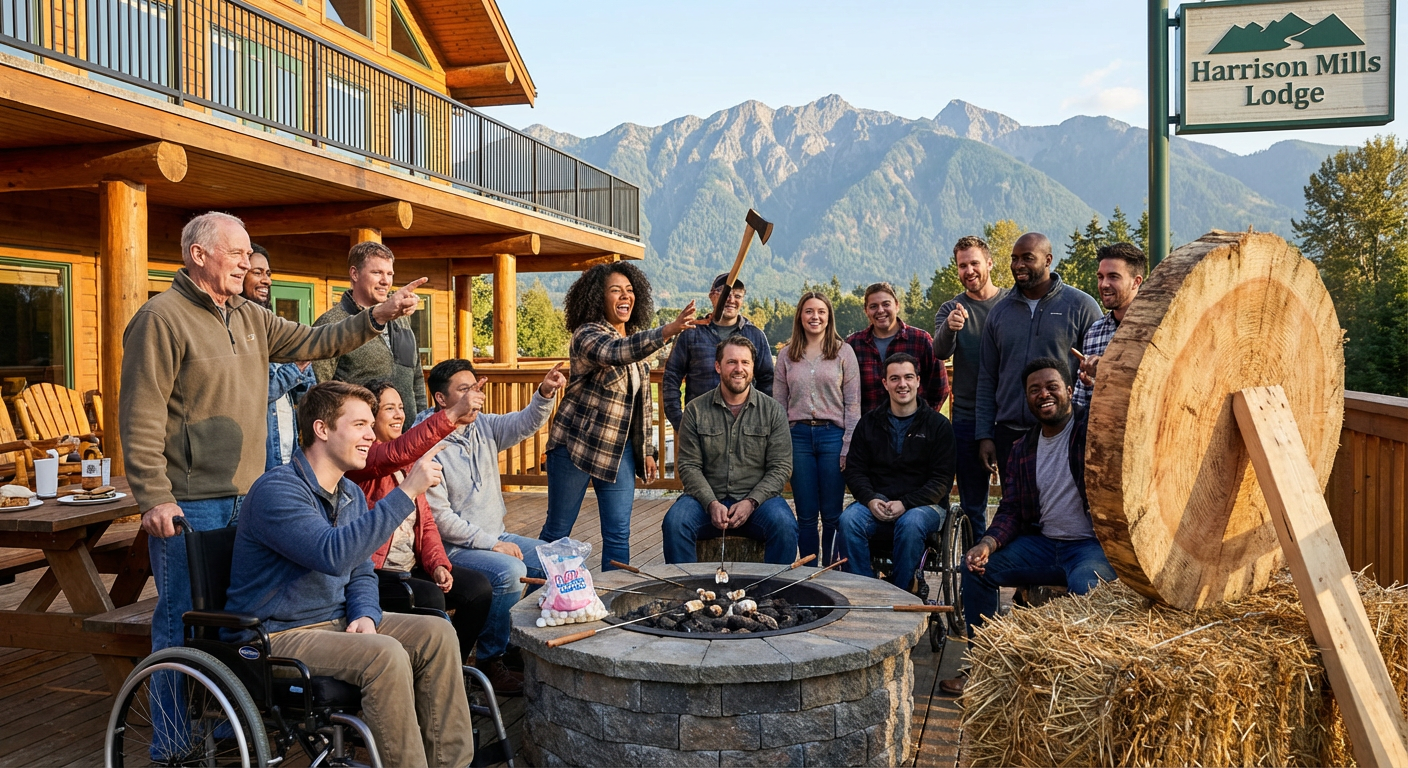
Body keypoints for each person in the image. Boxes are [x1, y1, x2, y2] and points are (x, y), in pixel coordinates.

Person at [120, 211, 425, 687]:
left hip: (250, 492)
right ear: (199, 255)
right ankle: (174, 730)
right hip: (190, 502)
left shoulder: (250, 315)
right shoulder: (160, 318)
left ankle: (226, 716)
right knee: (183, 622)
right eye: (237, 254)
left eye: (248, 254)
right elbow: (140, 414)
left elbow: (316, 341)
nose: (247, 264)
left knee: (236, 620)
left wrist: (377, 316)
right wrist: (155, 496)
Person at [223, 382, 474, 768]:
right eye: (359, 425)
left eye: (371, 425)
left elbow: (361, 570)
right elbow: (332, 554)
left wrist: (365, 614)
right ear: (322, 429)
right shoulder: (277, 491)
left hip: (336, 621)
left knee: (437, 632)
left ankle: (451, 764)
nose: (371, 435)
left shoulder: (349, 494)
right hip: (277, 633)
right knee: (385, 655)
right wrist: (407, 490)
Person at [945, 357, 1116, 696]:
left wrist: (1104, 382)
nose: (1044, 394)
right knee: (975, 567)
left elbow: (1119, 417)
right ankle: (982, 666)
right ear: (1027, 398)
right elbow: (1010, 510)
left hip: (1090, 546)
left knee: (1087, 590)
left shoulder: (1091, 428)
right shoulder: (1023, 448)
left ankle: (1078, 685)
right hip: (1044, 544)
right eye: (1034, 390)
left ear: (1070, 390)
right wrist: (987, 544)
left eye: (1052, 387)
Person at [538, 262, 704, 569]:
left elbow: (643, 402)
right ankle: (532, 591)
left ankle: (614, 594)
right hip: (575, 446)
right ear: (598, 298)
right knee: (557, 532)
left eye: (629, 290)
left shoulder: (636, 343)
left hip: (620, 450)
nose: (625, 295)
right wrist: (667, 330)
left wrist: (648, 451)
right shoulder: (587, 335)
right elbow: (615, 351)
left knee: (618, 534)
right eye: (615, 290)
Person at [418, 357, 566, 692]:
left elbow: (524, 423)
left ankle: (515, 644)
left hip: (493, 534)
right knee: (510, 571)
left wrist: (544, 393)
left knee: (557, 561)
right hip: (452, 548)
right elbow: (440, 520)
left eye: (475, 388)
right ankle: (488, 659)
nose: (474, 396)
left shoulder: (482, 425)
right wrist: (492, 544)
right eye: (464, 390)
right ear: (441, 398)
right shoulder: (426, 442)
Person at [351, 379, 494, 687]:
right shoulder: (364, 460)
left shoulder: (407, 463)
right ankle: (428, 682)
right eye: (389, 408)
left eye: (401, 407)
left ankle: (452, 672)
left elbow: (426, 523)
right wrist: (452, 413)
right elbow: (393, 454)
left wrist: (438, 563)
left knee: (477, 589)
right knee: (428, 596)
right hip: (376, 572)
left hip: (409, 566)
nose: (399, 415)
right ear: (369, 419)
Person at [975, 233, 1101, 490]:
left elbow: (1099, 370)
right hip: (1009, 433)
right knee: (1014, 504)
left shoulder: (1081, 306)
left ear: (1048, 260)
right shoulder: (999, 313)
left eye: (1027, 258)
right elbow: (987, 378)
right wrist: (985, 434)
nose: (1018, 265)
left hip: (1063, 432)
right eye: (1014, 259)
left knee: (1062, 504)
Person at [662, 336, 797, 565]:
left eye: (745, 362)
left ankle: (771, 588)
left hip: (759, 504)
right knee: (675, 522)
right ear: (718, 366)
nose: (739, 369)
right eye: (731, 362)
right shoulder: (695, 410)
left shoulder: (773, 411)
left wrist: (751, 502)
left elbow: (781, 467)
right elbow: (688, 465)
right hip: (705, 502)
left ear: (753, 368)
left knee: (785, 526)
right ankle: (687, 586)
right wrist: (711, 503)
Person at [838, 353, 955, 590]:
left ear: (918, 381)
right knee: (849, 520)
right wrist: (870, 499)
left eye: (908, 377)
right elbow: (855, 470)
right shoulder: (869, 423)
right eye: (895, 378)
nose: (902, 384)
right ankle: (864, 591)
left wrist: (906, 503)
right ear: (885, 383)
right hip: (878, 503)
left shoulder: (938, 426)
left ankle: (902, 591)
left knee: (911, 522)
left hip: (925, 507)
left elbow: (941, 481)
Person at [773, 291, 860, 563]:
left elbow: (853, 404)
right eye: (809, 311)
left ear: (829, 316)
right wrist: (782, 445)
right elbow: (779, 404)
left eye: (821, 311)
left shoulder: (843, 352)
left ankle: (830, 571)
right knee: (806, 513)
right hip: (797, 437)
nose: (815, 316)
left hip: (833, 436)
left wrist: (847, 445)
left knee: (833, 514)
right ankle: (808, 569)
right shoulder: (787, 355)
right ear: (800, 316)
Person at [933, 236, 1009, 540]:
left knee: (1017, 501)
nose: (969, 270)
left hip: (1010, 416)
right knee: (972, 506)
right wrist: (949, 329)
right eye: (962, 265)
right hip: (967, 419)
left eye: (974, 263)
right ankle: (975, 565)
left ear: (989, 263)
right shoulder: (950, 309)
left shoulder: (1012, 303)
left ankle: (1010, 562)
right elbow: (940, 352)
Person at [313, 241, 428, 416]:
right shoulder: (331, 323)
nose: (385, 281)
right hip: (359, 430)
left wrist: (422, 422)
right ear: (355, 274)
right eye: (377, 273)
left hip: (408, 430)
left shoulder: (401, 320)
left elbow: (417, 379)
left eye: (389, 274)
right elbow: (317, 391)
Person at [662, 273, 775, 430]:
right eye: (725, 294)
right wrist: (680, 422)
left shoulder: (755, 336)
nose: (731, 300)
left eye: (737, 296)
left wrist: (759, 420)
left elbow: (768, 381)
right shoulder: (691, 334)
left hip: (744, 428)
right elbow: (671, 378)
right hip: (700, 426)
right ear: (712, 296)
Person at [241, 243, 318, 470]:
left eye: (268, 273)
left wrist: (304, 370)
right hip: (256, 458)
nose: (266, 280)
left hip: (288, 451)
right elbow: (254, 395)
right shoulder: (235, 331)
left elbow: (305, 397)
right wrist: (295, 369)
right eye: (257, 272)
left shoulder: (275, 328)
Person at [846, 282, 949, 415]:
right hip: (869, 425)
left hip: (914, 424)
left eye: (886, 304)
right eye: (873, 306)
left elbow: (940, 388)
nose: (880, 310)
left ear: (897, 305)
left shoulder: (921, 340)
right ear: (866, 311)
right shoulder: (854, 345)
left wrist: (924, 419)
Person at [1071, 243, 1146, 408]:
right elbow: (1081, 402)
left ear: (1136, 282)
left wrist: (1107, 372)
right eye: (1100, 277)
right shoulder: (1095, 332)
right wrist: (1091, 381)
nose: (1104, 284)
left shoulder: (1154, 330)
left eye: (1113, 277)